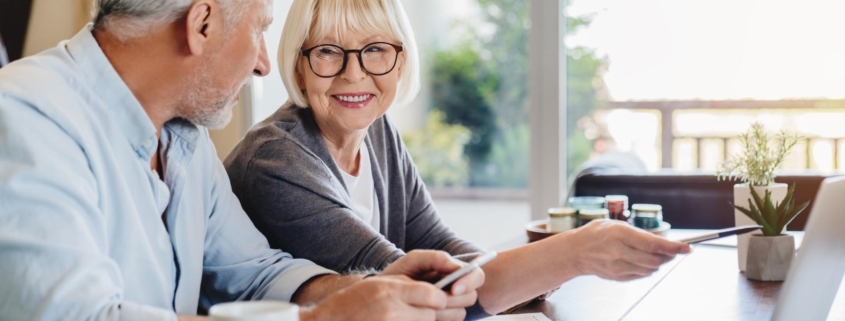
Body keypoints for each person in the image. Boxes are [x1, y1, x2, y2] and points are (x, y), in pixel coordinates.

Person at [0, 0, 485, 320]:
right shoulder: (25, 117)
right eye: (260, 31)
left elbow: (255, 271)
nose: (263, 63)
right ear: (202, 25)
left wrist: (367, 289)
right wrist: (320, 320)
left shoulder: (184, 139)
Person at [223, 0, 692, 318]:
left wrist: (526, 277)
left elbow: (442, 246)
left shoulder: (378, 133)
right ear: (300, 66)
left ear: (400, 63)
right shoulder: (276, 162)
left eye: (375, 51)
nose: (354, 74)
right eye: (328, 52)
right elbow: (422, 296)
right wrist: (573, 253)